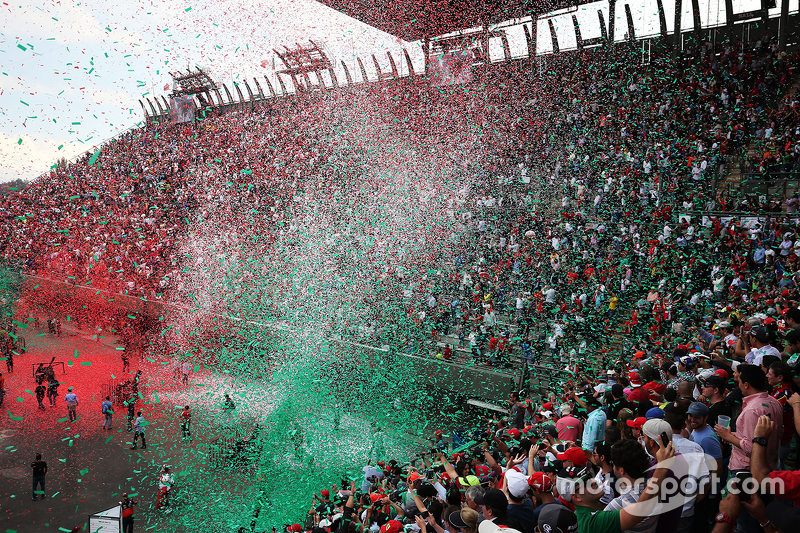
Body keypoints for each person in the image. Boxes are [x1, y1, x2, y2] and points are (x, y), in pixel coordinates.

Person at [714, 365, 783, 533]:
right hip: (769, 466)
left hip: (747, 472)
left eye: (738, 381)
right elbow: (767, 434)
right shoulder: (773, 401)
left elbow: (753, 447)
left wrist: (728, 436)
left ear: (746, 384)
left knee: (748, 521)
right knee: (762, 513)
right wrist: (736, 434)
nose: (736, 384)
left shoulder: (752, 410)